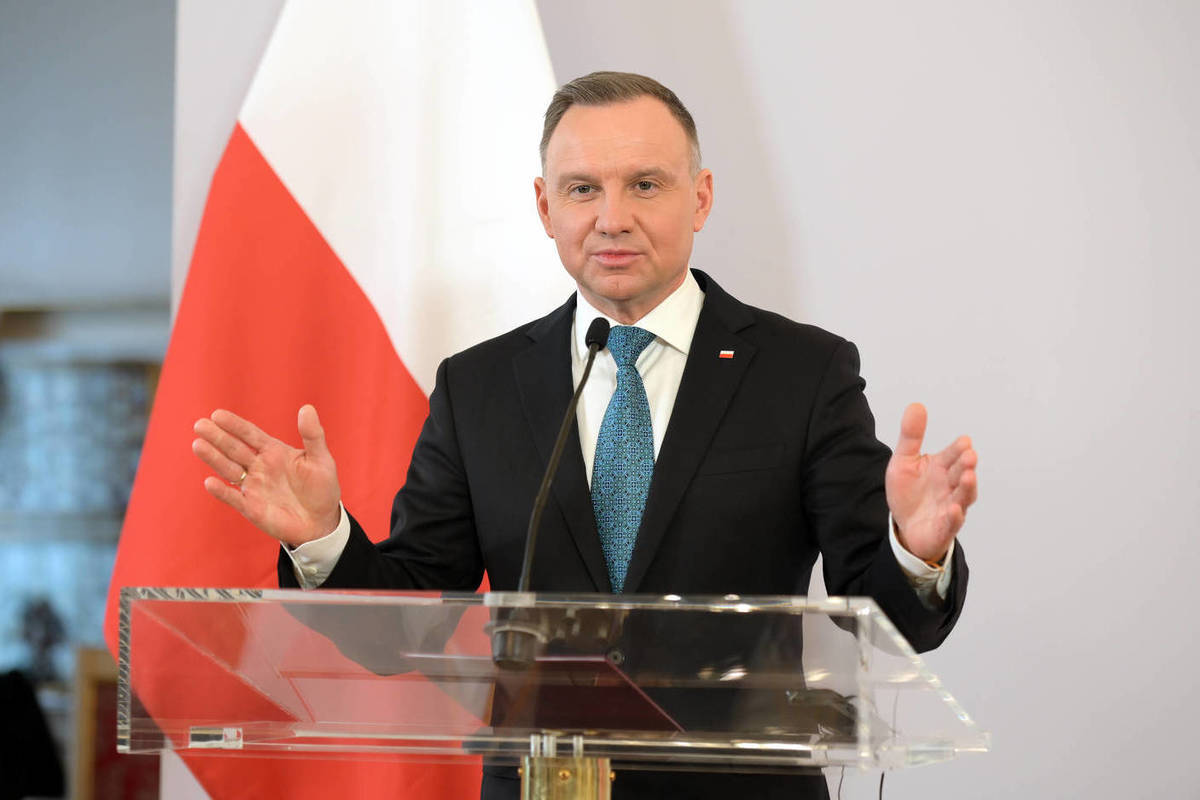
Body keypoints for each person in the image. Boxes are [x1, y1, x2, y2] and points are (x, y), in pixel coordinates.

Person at [192, 72, 977, 800]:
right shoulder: (479, 386)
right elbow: (405, 626)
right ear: (545, 208)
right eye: (582, 189)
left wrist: (917, 552)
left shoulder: (801, 373)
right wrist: (323, 538)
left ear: (700, 198)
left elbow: (885, 616)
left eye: (645, 184)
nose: (612, 217)